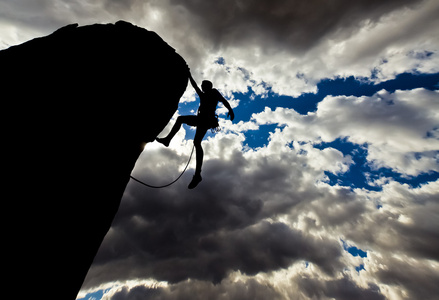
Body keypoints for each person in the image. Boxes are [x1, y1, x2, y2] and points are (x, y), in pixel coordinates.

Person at [156, 67, 235, 189]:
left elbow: (223, 101)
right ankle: (196, 173)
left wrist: (230, 110)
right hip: (202, 120)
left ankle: (197, 174)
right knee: (193, 137)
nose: (202, 87)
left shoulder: (213, 93)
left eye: (204, 85)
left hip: (206, 120)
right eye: (202, 86)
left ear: (208, 86)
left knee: (192, 136)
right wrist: (189, 75)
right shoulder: (203, 95)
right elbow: (195, 86)